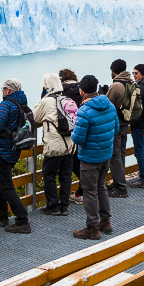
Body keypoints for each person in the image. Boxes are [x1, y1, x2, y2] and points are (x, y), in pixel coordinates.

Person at [70, 75, 118, 240]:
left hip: (90, 156)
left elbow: (78, 138)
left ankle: (92, 227)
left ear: (82, 90)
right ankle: (105, 221)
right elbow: (116, 128)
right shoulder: (109, 105)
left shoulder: (84, 110)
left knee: (89, 191)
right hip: (106, 154)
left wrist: (73, 132)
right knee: (101, 187)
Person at [0, 79, 33, 232]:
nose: (2, 91)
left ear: (9, 90)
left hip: (2, 151)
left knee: (6, 186)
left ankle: (22, 221)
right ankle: (2, 216)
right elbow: (2, 123)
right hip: (13, 150)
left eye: (4, 89)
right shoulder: (19, 104)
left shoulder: (6, 104)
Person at [33, 73, 76, 216]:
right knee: (66, 175)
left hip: (54, 146)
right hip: (69, 144)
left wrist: (42, 99)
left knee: (48, 174)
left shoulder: (46, 102)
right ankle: (64, 206)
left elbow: (34, 118)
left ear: (46, 87)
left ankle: (52, 206)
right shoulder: (67, 99)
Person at [105, 60, 135, 197]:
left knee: (114, 155)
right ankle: (120, 181)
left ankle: (120, 187)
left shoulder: (116, 85)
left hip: (116, 124)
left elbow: (108, 106)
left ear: (113, 70)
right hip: (126, 123)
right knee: (121, 153)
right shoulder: (130, 82)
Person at [59, 70, 84, 203]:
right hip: (83, 129)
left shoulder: (62, 92)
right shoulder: (82, 88)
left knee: (69, 165)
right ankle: (82, 191)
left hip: (67, 132)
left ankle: (68, 197)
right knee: (81, 162)